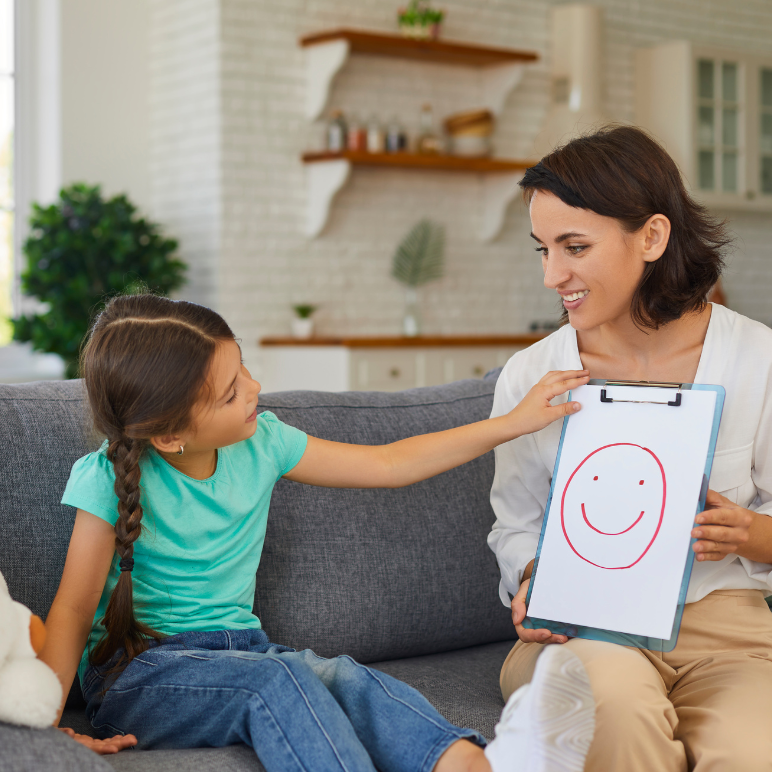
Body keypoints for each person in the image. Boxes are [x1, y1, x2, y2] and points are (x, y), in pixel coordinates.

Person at [41, 293, 596, 772]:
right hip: (141, 678)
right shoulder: (105, 479)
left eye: (244, 369)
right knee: (276, 682)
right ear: (169, 435)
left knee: (347, 679)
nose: (255, 388)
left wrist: (511, 424)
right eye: (230, 393)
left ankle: (480, 763)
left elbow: (389, 464)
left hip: (247, 653)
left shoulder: (264, 442)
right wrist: (47, 723)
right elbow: (72, 609)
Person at [488, 124, 772, 772]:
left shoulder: (758, 359)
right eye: (542, 250)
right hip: (583, 627)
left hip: (727, 633)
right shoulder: (531, 376)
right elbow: (515, 525)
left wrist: (750, 532)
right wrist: (532, 578)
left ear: (651, 236)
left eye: (574, 247)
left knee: (752, 752)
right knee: (613, 709)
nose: (552, 275)